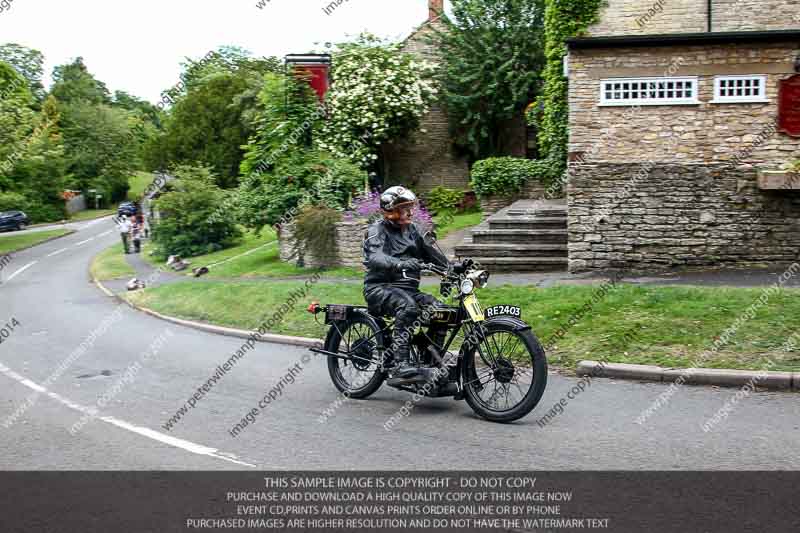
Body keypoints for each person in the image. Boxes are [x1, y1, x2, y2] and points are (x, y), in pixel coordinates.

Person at [362, 186, 452, 385]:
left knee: (442, 311)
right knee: (408, 307)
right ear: (391, 211)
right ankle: (400, 365)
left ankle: (430, 364)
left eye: (410, 208)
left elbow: (433, 255)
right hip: (380, 288)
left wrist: (454, 268)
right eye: (405, 208)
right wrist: (400, 263)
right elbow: (376, 256)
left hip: (408, 290)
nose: (410, 212)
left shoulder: (412, 230)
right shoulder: (377, 230)